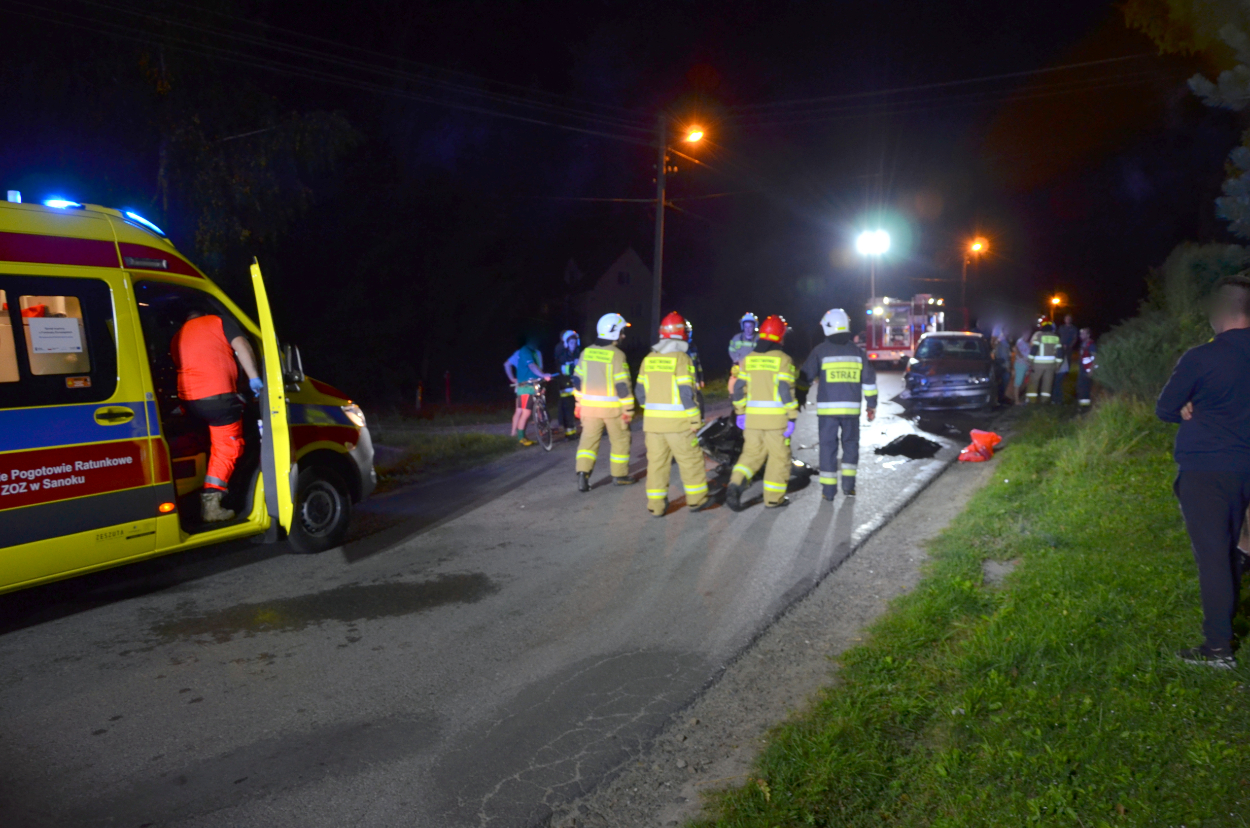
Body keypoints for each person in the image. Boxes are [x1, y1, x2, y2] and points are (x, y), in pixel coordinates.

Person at [1155, 275, 1250, 669]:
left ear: (1221, 312)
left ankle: (1217, 648)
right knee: (1239, 545)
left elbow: (1164, 408)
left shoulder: (1201, 358)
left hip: (1208, 469)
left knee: (1213, 555)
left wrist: (1185, 406)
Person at [170, 306, 262, 522]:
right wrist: (254, 377)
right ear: (204, 314)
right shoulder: (218, 321)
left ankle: (190, 495)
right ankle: (212, 504)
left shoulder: (178, 335)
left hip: (188, 402)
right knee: (228, 448)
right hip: (218, 399)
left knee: (202, 442)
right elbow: (242, 346)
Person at [636, 312, 711, 516]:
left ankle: (656, 506)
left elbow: (639, 394)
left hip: (652, 425)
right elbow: (687, 394)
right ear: (682, 334)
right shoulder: (682, 358)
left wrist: (653, 411)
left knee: (657, 465)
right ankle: (696, 500)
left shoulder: (648, 359)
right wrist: (695, 419)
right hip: (679, 425)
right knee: (691, 461)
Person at [800, 308, 877, 501]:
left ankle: (828, 492)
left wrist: (797, 399)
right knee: (851, 447)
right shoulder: (857, 352)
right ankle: (849, 488)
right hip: (851, 412)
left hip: (827, 413)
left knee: (828, 448)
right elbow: (869, 381)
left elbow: (804, 378)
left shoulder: (820, 351)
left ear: (827, 327)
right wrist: (871, 405)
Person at [726, 315, 798, 510]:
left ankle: (735, 484)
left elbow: (739, 388)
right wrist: (792, 416)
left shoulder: (748, 359)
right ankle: (774, 499)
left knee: (750, 455)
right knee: (779, 458)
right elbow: (785, 390)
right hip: (776, 423)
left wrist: (740, 412)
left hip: (752, 420)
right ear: (780, 336)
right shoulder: (783, 360)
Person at [572, 313, 636, 492]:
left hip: (588, 409)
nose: (623, 335)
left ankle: (582, 475)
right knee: (621, 440)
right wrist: (628, 409)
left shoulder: (586, 352)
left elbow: (577, 380)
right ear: (614, 332)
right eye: (622, 332)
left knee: (588, 442)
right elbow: (622, 386)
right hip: (613, 411)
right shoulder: (617, 355)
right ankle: (620, 475)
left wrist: (578, 404)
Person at [504, 337, 551, 446]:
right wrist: (512, 378)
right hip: (526, 387)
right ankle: (520, 437)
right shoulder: (524, 351)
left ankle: (527, 435)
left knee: (527, 411)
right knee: (525, 412)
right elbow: (531, 365)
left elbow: (538, 368)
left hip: (531, 386)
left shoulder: (535, 352)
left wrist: (542, 381)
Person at [554, 330, 581, 438]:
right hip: (565, 384)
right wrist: (575, 366)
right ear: (566, 343)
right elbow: (564, 370)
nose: (573, 345)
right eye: (571, 343)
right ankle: (569, 433)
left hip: (575, 383)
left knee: (577, 406)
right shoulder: (562, 354)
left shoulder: (577, 352)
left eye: (575, 343)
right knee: (568, 407)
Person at [1025, 322, 1061, 403]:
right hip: (1051, 366)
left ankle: (1031, 401)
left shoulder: (1039, 336)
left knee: (1034, 382)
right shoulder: (1056, 338)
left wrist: (1030, 361)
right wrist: (1058, 365)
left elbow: (1034, 349)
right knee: (1047, 383)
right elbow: (1059, 353)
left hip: (1038, 365)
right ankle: (1044, 401)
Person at [726, 312, 759, 396]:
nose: (748, 329)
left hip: (754, 368)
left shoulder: (759, 339)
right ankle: (733, 398)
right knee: (733, 384)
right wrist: (736, 359)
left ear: (754, 326)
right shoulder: (736, 338)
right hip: (739, 367)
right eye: (746, 326)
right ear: (742, 326)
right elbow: (731, 350)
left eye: (750, 326)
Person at [684, 319, 707, 419]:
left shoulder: (693, 346)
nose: (688, 334)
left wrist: (701, 378)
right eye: (686, 332)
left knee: (699, 400)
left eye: (689, 332)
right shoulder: (679, 348)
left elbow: (698, 364)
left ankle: (700, 419)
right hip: (684, 379)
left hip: (695, 380)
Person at [1054, 313, 1079, 404]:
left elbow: (1075, 338)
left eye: (1069, 318)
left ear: (1071, 320)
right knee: (1060, 358)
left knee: (1067, 359)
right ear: (1064, 320)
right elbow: (1058, 336)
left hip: (1068, 347)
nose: (1067, 320)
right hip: (1061, 346)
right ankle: (1059, 370)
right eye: (1066, 318)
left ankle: (1066, 373)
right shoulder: (1061, 328)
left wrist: (1070, 346)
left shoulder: (1073, 328)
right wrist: (1060, 345)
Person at [1076, 327, 1096, 409]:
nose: (1081, 335)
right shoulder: (1083, 344)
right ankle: (1081, 405)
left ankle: (1085, 407)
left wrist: (1091, 370)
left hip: (1087, 370)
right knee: (1081, 387)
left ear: (1088, 335)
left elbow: (1095, 358)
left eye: (1083, 334)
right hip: (1082, 369)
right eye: (1081, 334)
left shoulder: (1091, 345)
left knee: (1085, 388)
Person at [991, 325, 1011, 404]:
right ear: (1004, 331)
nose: (1009, 332)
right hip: (1002, 366)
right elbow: (1003, 356)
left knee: (1002, 382)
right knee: (1003, 383)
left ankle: (1001, 399)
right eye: (1007, 330)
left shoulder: (1004, 340)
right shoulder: (1002, 341)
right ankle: (1001, 399)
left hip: (1002, 365)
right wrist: (1007, 367)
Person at [1012, 329, 1031, 405]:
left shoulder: (1027, 343)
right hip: (1021, 365)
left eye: (1029, 333)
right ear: (1023, 333)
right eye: (1027, 333)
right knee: (1018, 383)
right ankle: (1016, 401)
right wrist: (1025, 360)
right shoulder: (1020, 342)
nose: (1028, 335)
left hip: (1026, 365)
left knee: (1025, 382)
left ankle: (1021, 398)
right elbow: (1018, 353)